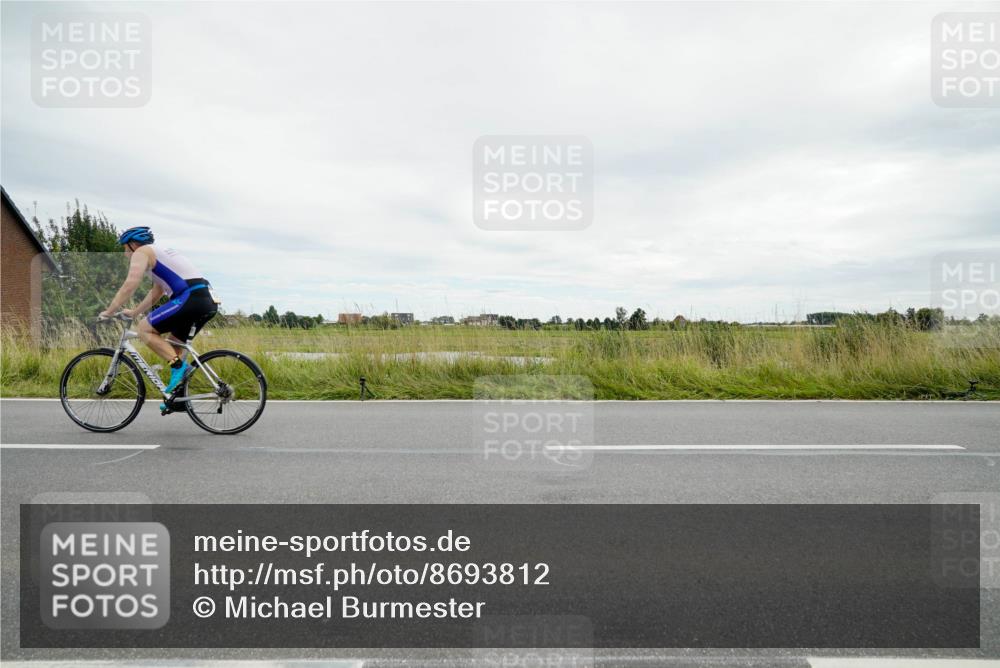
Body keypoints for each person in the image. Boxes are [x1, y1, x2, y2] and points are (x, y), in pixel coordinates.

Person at [100, 226, 219, 409]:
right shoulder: (159, 254)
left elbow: (130, 283)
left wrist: (109, 310)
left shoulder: (142, 252)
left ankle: (179, 367)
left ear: (132, 244)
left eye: (125, 248)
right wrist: (134, 312)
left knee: (144, 329)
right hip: (206, 300)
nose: (125, 254)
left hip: (190, 297)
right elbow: (157, 291)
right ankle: (178, 399)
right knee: (173, 345)